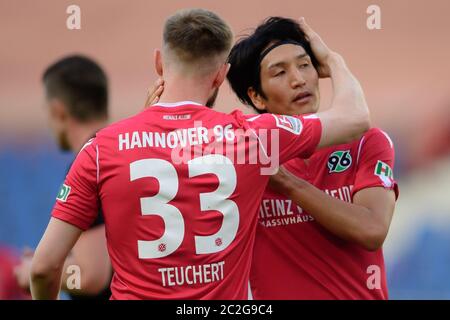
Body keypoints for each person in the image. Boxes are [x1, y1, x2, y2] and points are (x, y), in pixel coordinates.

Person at [30, 9, 369, 300]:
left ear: (159, 63)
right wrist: (332, 61)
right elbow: (355, 118)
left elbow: (45, 266)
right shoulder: (254, 137)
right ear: (221, 74)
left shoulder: (103, 149)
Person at [226, 17, 398, 299]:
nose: (299, 80)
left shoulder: (367, 142)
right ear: (257, 97)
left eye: (305, 65)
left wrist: (333, 60)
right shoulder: (246, 154)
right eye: (279, 73)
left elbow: (372, 229)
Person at [14, 56, 112, 299]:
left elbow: (91, 275)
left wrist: (32, 271)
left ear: (58, 111)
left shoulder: (89, 163)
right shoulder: (123, 151)